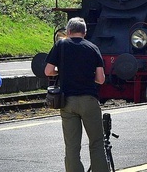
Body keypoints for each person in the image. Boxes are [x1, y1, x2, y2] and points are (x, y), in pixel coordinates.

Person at [45, 17, 109, 172]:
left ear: (68, 31)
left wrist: (63, 71)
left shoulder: (61, 45)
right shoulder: (93, 48)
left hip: (67, 102)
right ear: (84, 33)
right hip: (89, 101)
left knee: (72, 147)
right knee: (96, 143)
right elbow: (100, 79)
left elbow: (48, 71)